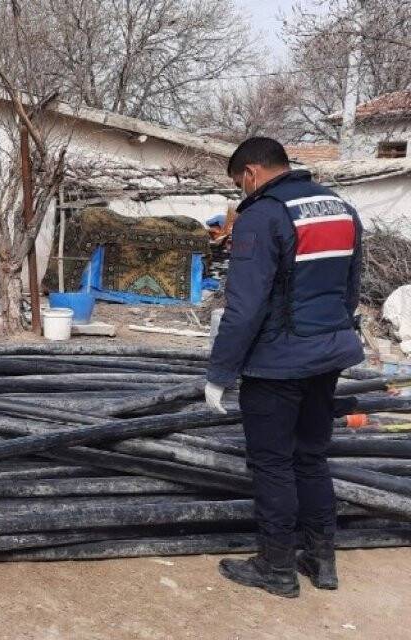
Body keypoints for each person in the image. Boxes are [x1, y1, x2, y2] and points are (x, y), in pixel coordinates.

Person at [206, 137, 363, 598]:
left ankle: (276, 568)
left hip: (277, 364)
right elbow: (350, 289)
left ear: (250, 173)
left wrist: (220, 373)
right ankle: (322, 560)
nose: (241, 191)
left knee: (272, 464)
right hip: (329, 355)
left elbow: (244, 307)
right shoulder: (339, 208)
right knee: (310, 457)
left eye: (239, 183)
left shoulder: (262, 215)